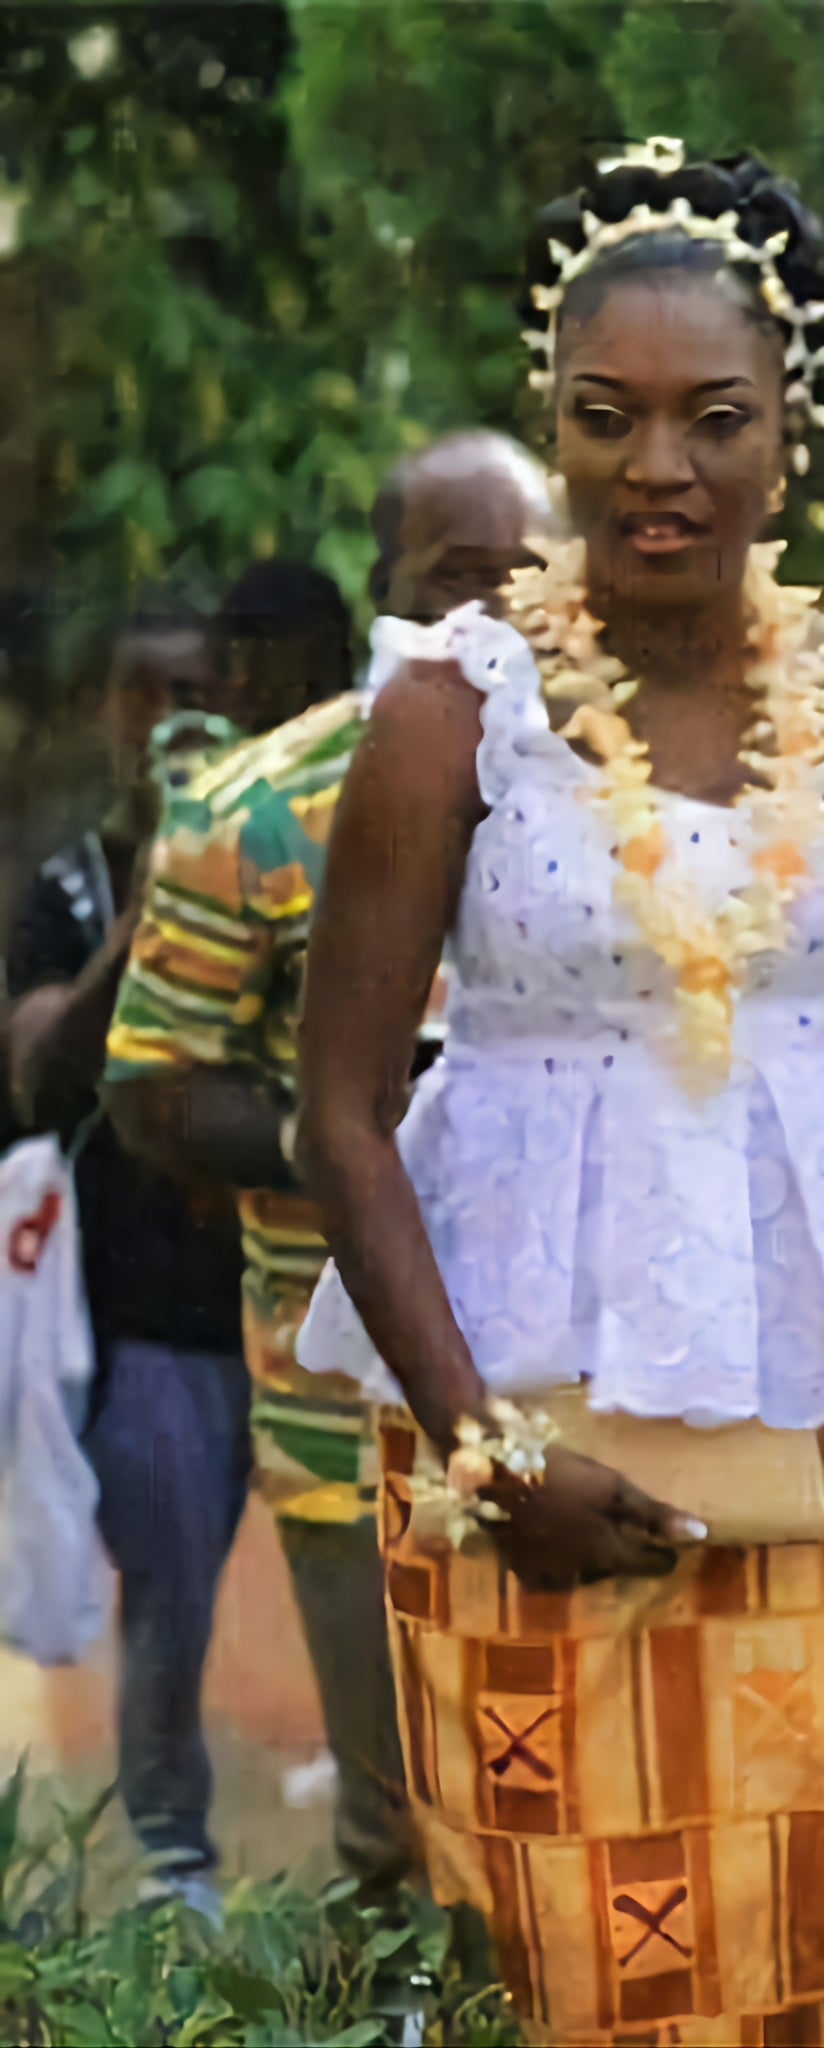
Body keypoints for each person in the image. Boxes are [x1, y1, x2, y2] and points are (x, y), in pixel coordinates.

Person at [292, 145, 824, 2045]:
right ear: (554, 426)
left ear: (796, 430)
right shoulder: (454, 706)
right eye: (604, 420)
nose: (657, 468)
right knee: (574, 1937)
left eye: (715, 419)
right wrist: (480, 1448)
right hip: (524, 1412)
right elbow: (341, 1112)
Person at [101, 455, 547, 1897]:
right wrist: (344, 1135)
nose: (497, 609)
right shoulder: (261, 806)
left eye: (525, 574)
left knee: (587, 1824)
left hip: (592, 1390)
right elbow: (150, 1087)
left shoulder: (638, 801)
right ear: (386, 592)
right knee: (402, 1836)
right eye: (456, 576)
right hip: (345, 1417)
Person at [5, 598, 250, 1908]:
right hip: (139, 1312)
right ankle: (172, 1854)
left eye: (194, 695)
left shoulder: (282, 853)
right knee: (171, 1589)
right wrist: (144, 907)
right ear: (107, 711)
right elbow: (40, 1076)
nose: (166, 725)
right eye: (140, 694)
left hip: (280, 1297)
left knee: (215, 1585)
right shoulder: (64, 886)